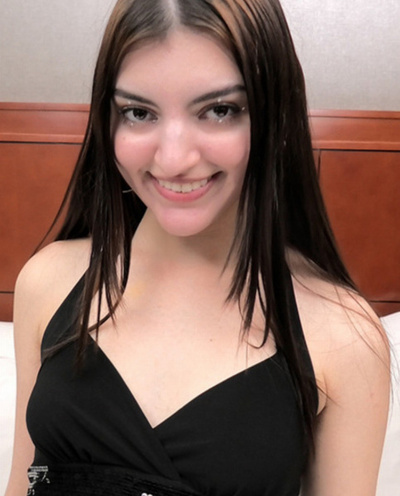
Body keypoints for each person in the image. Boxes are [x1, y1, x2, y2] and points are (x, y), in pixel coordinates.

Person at [6, 0, 390, 495]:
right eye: (138, 112)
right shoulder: (48, 282)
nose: (173, 159)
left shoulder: (344, 337)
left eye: (219, 110)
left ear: (275, 116)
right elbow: (22, 481)